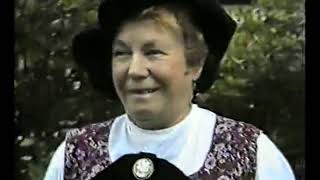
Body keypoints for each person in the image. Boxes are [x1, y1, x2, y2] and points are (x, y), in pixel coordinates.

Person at [44, 0, 295, 179]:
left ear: (195, 63)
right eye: (121, 53)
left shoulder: (251, 154)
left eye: (153, 52)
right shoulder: (74, 154)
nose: (135, 70)